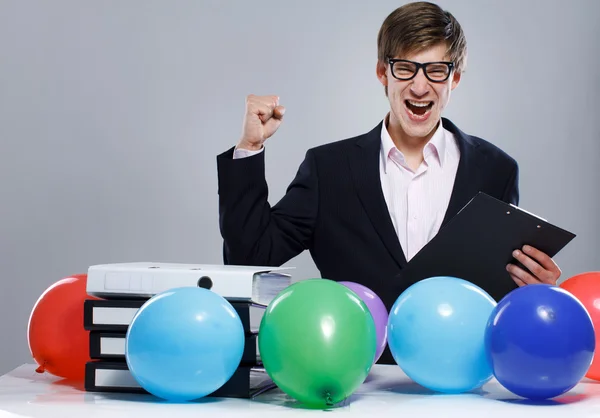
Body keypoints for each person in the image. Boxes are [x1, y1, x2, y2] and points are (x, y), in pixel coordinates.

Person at [216, 2, 561, 364]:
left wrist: (535, 291)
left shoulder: (497, 171)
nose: (419, 85)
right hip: (357, 381)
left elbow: (498, 294)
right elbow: (248, 257)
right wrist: (250, 147)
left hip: (460, 382)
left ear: (455, 78)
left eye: (436, 70)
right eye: (406, 68)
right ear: (383, 72)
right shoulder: (328, 168)